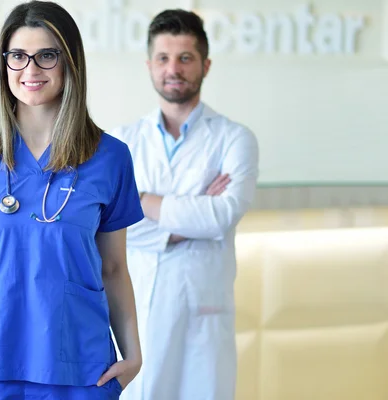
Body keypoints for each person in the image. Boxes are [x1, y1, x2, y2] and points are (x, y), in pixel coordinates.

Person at [0, 1, 143, 399]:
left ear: (70, 63)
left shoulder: (109, 157)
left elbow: (114, 266)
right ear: (4, 64)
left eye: (47, 55)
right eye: (17, 56)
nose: (30, 70)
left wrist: (133, 355)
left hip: (78, 362)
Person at [110, 9, 259, 400]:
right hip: (136, 312)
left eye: (185, 58)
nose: (173, 68)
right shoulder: (121, 143)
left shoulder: (235, 139)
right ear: (149, 65)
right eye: (163, 58)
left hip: (201, 320)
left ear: (206, 65)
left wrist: (143, 201)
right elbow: (109, 226)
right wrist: (190, 214)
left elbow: (221, 215)